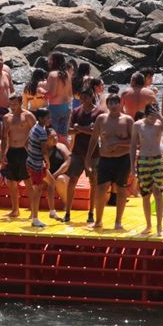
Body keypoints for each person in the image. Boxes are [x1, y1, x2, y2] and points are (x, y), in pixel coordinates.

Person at [87, 93, 134, 230]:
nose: (113, 106)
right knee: (101, 188)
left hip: (122, 159)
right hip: (105, 159)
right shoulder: (101, 119)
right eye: (111, 103)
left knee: (121, 189)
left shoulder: (127, 120)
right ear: (107, 105)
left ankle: (118, 221)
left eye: (116, 103)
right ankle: (98, 220)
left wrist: (118, 144)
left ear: (121, 104)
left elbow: (134, 142)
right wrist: (88, 158)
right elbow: (94, 139)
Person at [64, 87, 103, 224]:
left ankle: (91, 212)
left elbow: (96, 132)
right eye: (82, 97)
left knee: (94, 182)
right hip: (77, 151)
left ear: (92, 97)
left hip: (93, 152)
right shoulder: (75, 111)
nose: (83, 100)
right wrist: (86, 129)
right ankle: (67, 212)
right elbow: (69, 131)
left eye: (86, 97)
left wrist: (79, 128)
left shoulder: (99, 112)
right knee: (72, 181)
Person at [131, 105, 163, 235]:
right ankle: (148, 225)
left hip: (157, 160)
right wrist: (132, 166)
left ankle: (159, 226)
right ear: (145, 115)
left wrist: (162, 118)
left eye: (155, 116)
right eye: (151, 116)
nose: (153, 119)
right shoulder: (137, 125)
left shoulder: (159, 124)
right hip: (143, 160)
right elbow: (133, 146)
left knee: (158, 193)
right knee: (145, 195)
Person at [0, 93, 36, 218]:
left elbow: (36, 133)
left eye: (15, 104)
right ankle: (15, 209)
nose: (12, 107)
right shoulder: (6, 117)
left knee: (28, 181)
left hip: (24, 151)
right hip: (11, 151)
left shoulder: (28, 116)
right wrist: (3, 153)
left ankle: (33, 211)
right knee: (11, 181)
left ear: (20, 102)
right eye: (10, 104)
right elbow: (4, 137)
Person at [24, 107, 57, 229]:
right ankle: (35, 219)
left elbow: (25, 144)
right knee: (37, 191)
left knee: (52, 182)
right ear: (41, 118)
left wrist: (32, 155)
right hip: (37, 165)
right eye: (48, 118)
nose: (50, 120)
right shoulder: (42, 132)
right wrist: (47, 162)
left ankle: (52, 211)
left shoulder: (34, 128)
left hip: (32, 163)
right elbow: (44, 151)